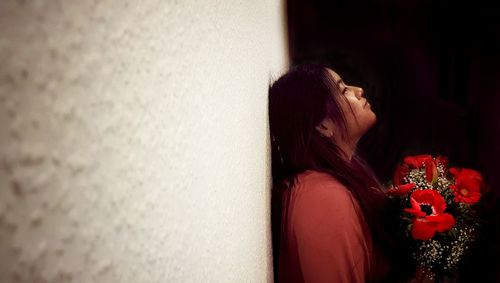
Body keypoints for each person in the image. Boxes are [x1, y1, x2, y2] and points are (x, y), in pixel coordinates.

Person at [269, 63, 416, 283]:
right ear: (324, 125)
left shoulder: (342, 173)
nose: (359, 90)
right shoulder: (321, 198)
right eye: (343, 89)